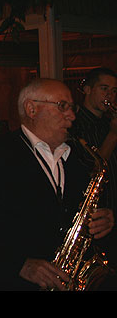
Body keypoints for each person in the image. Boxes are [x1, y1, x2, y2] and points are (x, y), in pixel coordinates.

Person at [0, 77, 115, 290]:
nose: (72, 116)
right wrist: (18, 264)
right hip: (9, 282)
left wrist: (105, 220)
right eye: (62, 106)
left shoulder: (76, 157)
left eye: (72, 108)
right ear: (31, 109)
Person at [69, 67, 117, 260]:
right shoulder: (75, 125)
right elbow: (90, 169)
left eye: (114, 91)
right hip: (96, 221)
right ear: (87, 89)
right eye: (104, 89)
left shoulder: (109, 122)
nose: (110, 96)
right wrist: (114, 135)